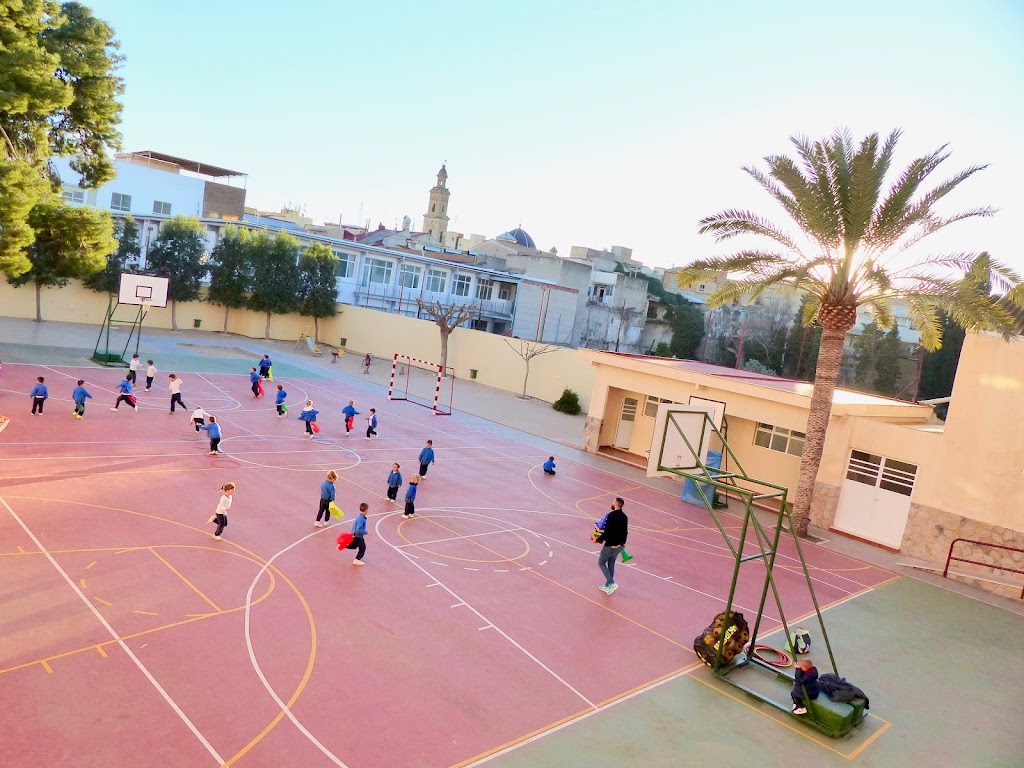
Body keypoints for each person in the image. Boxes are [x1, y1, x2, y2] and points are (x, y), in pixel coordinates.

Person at [596, 497, 628, 595]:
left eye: (613, 501)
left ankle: (611, 583)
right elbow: (625, 532)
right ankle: (608, 586)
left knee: (601, 563)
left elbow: (607, 531)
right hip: (619, 545)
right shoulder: (624, 517)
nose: (612, 502)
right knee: (611, 563)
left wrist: (599, 539)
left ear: (616, 504)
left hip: (610, 545)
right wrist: (623, 543)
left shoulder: (611, 516)